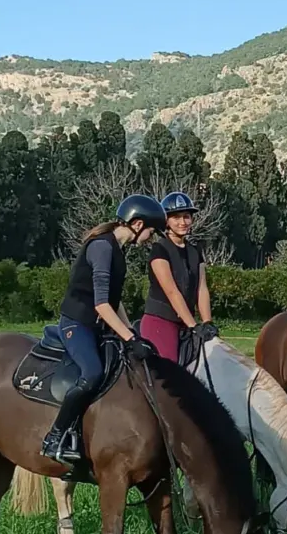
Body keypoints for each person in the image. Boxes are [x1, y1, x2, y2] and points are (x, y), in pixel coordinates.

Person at [40, 194, 166, 465]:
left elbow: (114, 301)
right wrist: (129, 338)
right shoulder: (101, 247)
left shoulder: (118, 250)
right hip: (77, 324)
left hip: (98, 325)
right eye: (151, 232)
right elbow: (101, 305)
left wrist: (133, 332)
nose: (150, 238)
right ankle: (55, 436)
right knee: (92, 374)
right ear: (138, 224)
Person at [140, 191, 218, 362]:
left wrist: (207, 322)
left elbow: (201, 288)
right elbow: (171, 291)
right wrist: (193, 326)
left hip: (186, 323)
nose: (182, 222)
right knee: (171, 370)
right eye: (176, 217)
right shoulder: (159, 250)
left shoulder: (195, 251)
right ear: (166, 221)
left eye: (186, 217)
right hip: (160, 321)